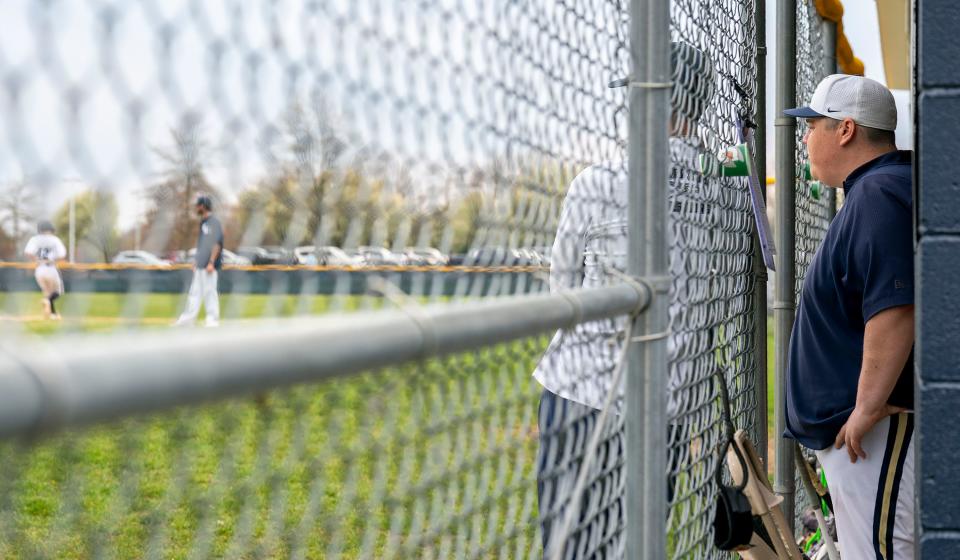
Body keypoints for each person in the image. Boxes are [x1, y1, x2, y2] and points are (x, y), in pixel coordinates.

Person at [532, 41, 716, 559]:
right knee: (638, 541)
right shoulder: (718, 192)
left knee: (569, 540)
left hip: (584, 389)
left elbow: (562, 288)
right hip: (670, 396)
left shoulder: (598, 182)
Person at [783, 74, 914, 559]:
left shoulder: (879, 194)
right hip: (864, 438)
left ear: (845, 130)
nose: (804, 137)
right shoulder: (875, 189)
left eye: (812, 124)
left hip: (872, 435)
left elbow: (897, 309)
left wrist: (865, 408)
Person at [174, 195, 224, 327]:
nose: (196, 207)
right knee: (194, 292)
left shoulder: (214, 222)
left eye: (198, 205)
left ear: (203, 206)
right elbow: (202, 245)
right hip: (201, 265)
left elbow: (216, 244)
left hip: (209, 265)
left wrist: (211, 262)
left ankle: (212, 320)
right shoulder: (203, 222)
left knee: (210, 292)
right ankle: (188, 319)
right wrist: (196, 261)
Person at [23, 221, 67, 320]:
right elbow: (62, 254)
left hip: (39, 269)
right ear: (51, 229)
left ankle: (52, 315)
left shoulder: (34, 239)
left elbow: (27, 252)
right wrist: (53, 260)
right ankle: (47, 301)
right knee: (57, 292)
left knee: (48, 292)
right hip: (51, 268)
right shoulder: (55, 239)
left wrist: (36, 260)